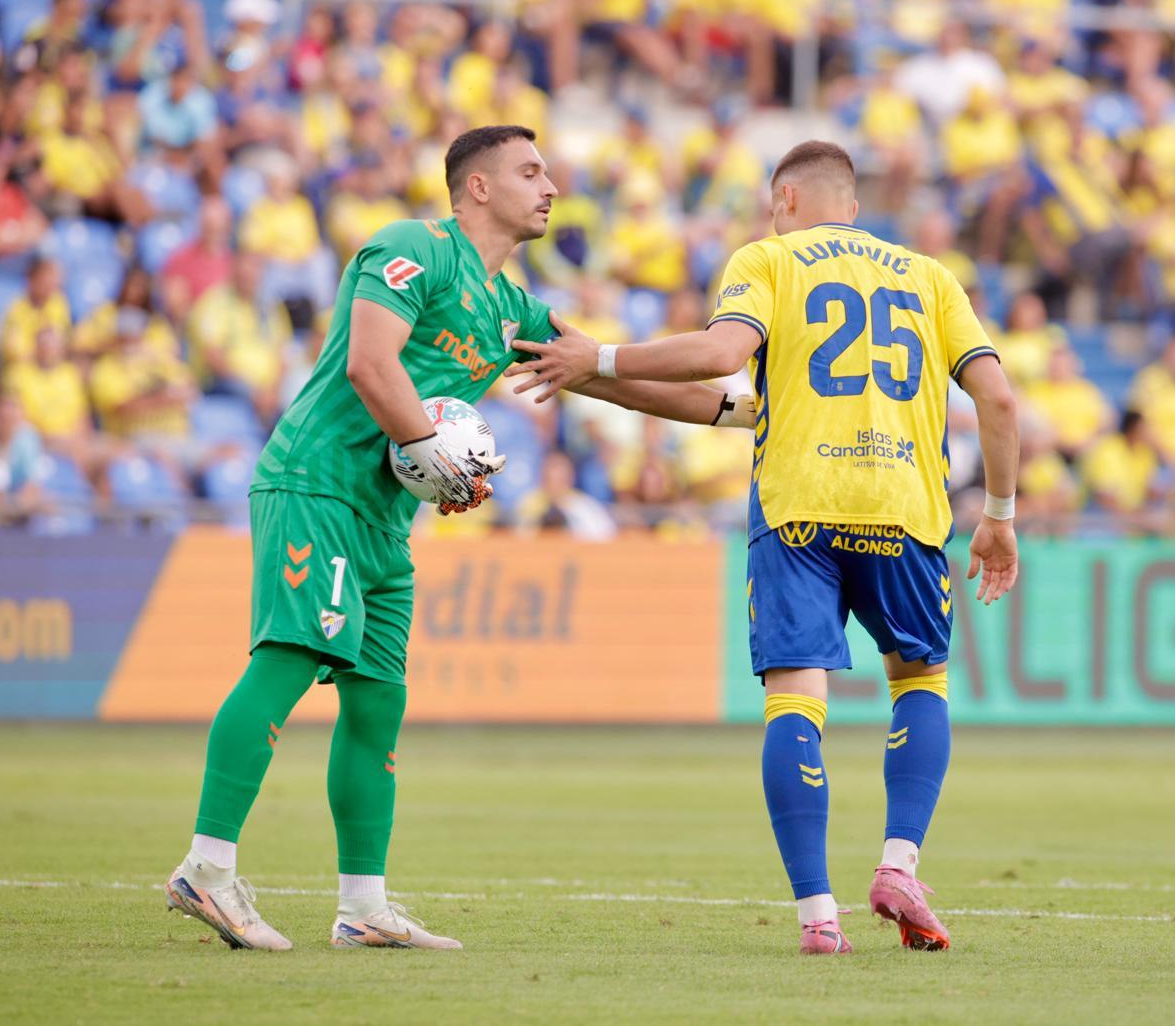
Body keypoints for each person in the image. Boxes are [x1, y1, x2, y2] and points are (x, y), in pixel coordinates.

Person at [164, 125, 758, 953]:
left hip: (382, 517)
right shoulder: (413, 248)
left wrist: (747, 413)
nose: (550, 185)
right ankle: (208, 868)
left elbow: (613, 377)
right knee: (290, 659)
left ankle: (363, 907)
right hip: (317, 485)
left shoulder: (513, 307)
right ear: (477, 187)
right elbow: (375, 367)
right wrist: (438, 458)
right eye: (530, 170)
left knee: (378, 703)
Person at [512, 139, 1020, 955]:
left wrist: (597, 357)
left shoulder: (772, 260)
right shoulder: (929, 276)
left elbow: (719, 358)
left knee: (795, 700)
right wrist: (999, 511)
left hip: (798, 509)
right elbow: (995, 394)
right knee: (919, 678)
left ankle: (817, 918)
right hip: (905, 506)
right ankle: (899, 863)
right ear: (851, 205)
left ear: (784, 199)